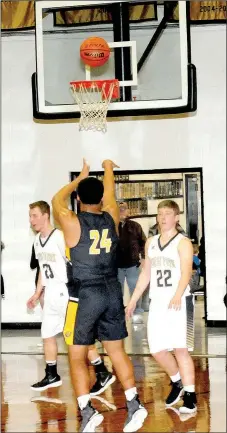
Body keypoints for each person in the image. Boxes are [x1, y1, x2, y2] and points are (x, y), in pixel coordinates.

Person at [52, 159, 148, 433]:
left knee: (76, 355)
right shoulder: (111, 216)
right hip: (111, 290)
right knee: (116, 351)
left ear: (79, 197)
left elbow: (55, 199)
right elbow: (111, 196)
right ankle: (134, 404)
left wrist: (79, 178)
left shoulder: (72, 221)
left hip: (86, 293)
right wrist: (108, 168)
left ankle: (87, 411)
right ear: (101, 199)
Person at [27, 201, 110, 394]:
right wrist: (37, 292)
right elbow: (42, 269)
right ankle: (51, 374)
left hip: (66, 292)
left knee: (77, 337)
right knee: (47, 334)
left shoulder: (59, 237)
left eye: (34, 216)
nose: (31, 220)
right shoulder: (37, 240)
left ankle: (101, 370)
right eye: (30, 216)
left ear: (46, 216)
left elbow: (75, 263)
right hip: (51, 293)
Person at [126, 199, 197, 415]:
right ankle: (177, 381)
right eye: (160, 213)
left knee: (180, 349)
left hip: (179, 301)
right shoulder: (151, 242)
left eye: (167, 213)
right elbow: (146, 274)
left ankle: (191, 397)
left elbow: (187, 272)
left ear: (176, 217)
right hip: (157, 302)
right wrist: (133, 300)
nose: (163, 217)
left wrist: (177, 294)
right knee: (156, 350)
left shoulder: (183, 242)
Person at [117, 202, 146, 324]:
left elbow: (144, 243)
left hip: (132, 265)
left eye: (124, 208)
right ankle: (117, 316)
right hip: (116, 266)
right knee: (117, 292)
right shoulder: (111, 226)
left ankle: (137, 314)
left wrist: (144, 258)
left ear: (128, 211)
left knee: (136, 289)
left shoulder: (135, 226)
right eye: (120, 209)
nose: (122, 211)